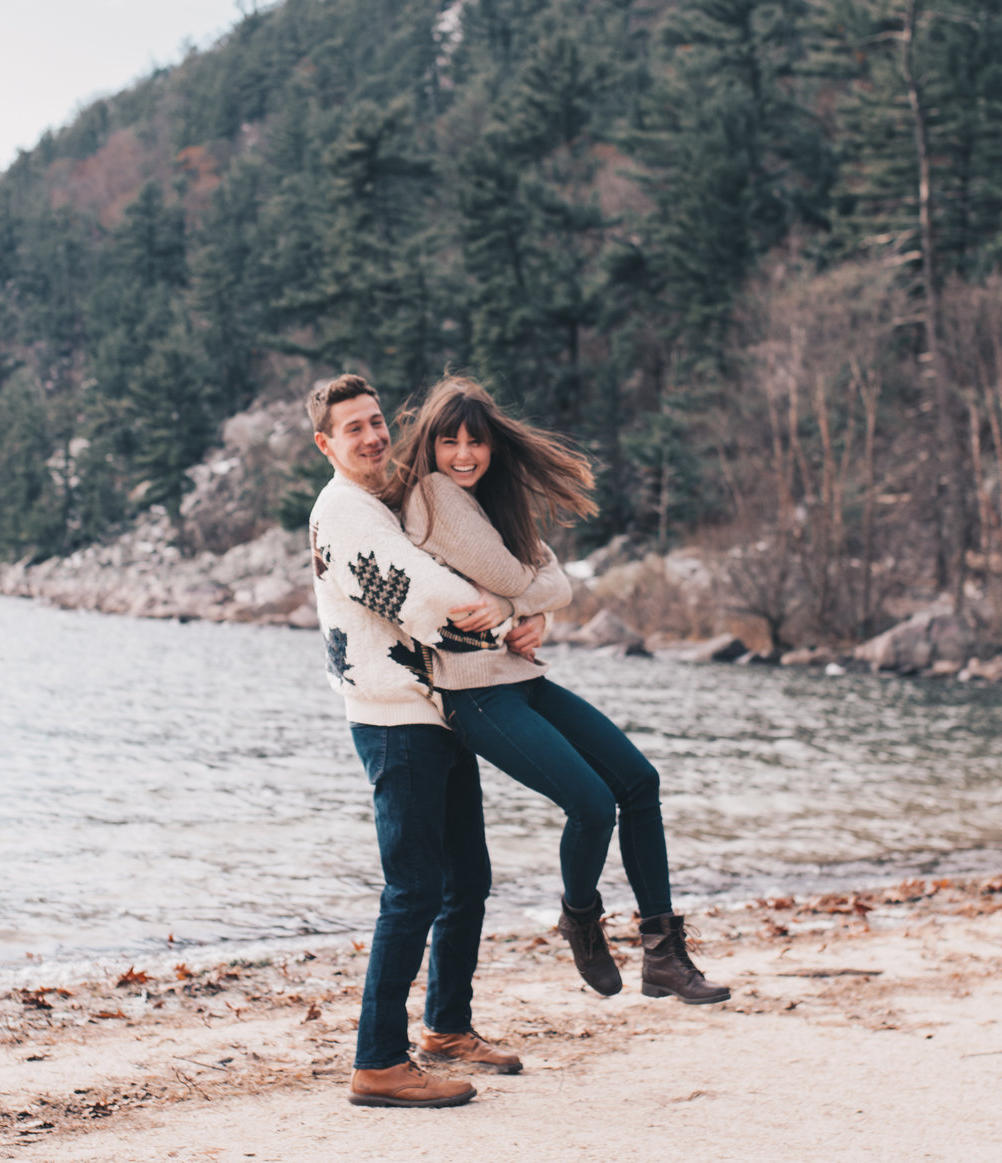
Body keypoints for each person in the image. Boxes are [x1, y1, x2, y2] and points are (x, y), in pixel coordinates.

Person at [383, 375, 730, 1005]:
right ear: (429, 446)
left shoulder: (489, 501)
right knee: (593, 805)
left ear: (493, 447)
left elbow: (555, 579)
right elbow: (524, 574)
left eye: (476, 442)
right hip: (474, 692)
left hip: (522, 675)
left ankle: (662, 951)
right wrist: (519, 598)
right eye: (450, 441)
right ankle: (580, 916)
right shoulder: (434, 495)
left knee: (639, 782)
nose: (464, 454)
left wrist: (515, 608)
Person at [303, 373, 545, 1109]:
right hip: (392, 718)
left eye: (377, 421)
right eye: (354, 428)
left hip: (435, 708)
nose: (374, 436)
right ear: (326, 443)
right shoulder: (344, 512)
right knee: (413, 890)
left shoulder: (385, 499)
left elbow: (475, 564)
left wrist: (528, 614)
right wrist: (514, 621)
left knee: (465, 878)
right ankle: (377, 1060)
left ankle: (445, 1027)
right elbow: (428, 592)